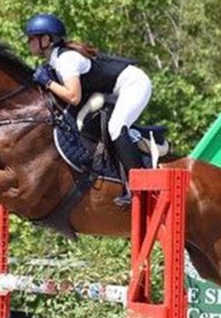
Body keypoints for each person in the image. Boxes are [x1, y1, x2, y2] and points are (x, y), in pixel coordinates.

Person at [24, 12, 153, 206]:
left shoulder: (66, 60)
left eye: (32, 38)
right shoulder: (55, 60)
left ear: (47, 40)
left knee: (116, 126)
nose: (28, 42)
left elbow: (73, 97)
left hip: (134, 84)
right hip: (112, 90)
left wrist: (48, 82)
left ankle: (139, 184)